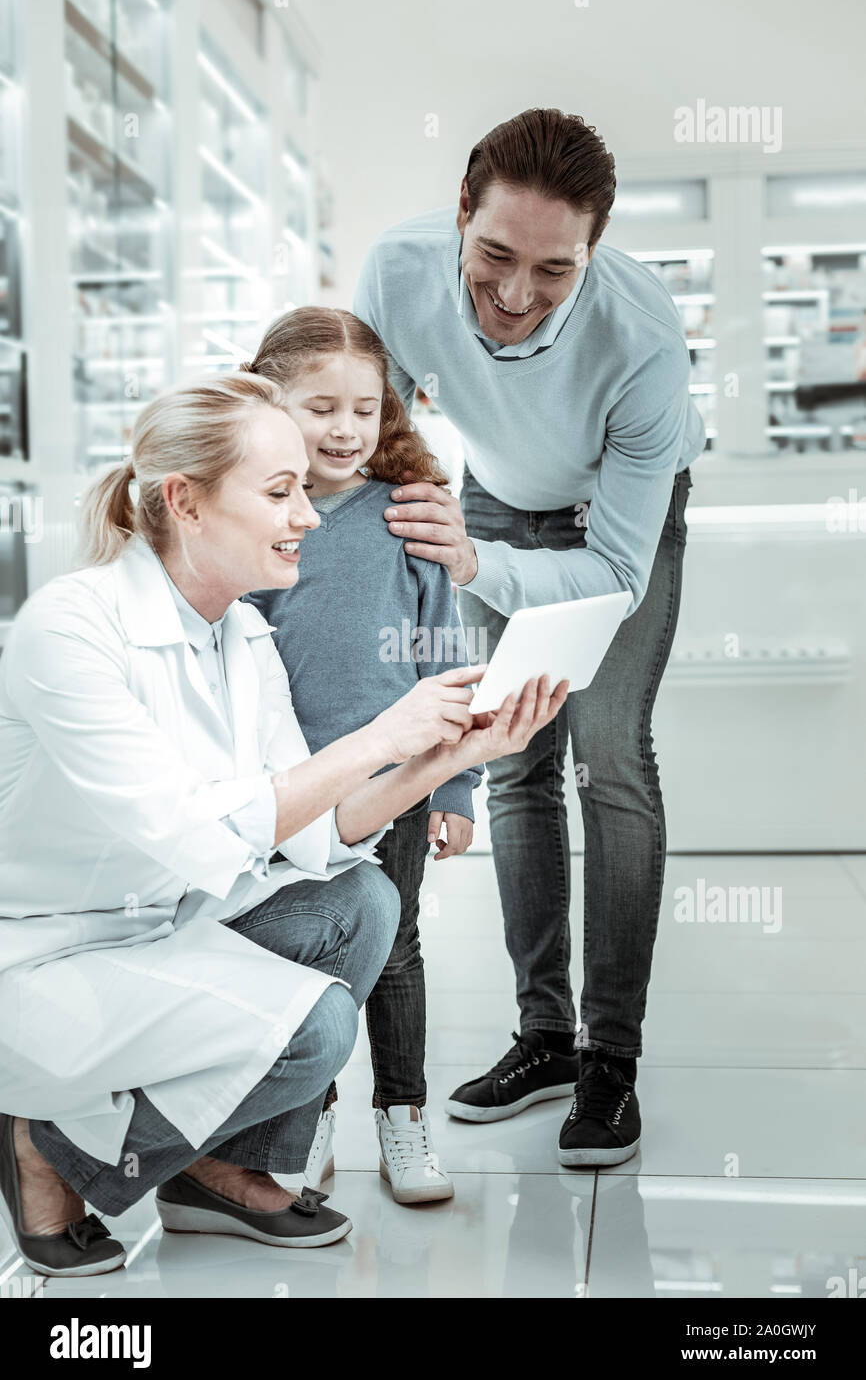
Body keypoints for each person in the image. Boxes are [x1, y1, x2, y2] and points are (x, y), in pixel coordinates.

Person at [0, 371, 568, 1276]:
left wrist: (457, 755)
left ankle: (211, 1171)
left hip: (166, 923)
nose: (309, 514)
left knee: (364, 901)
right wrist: (382, 733)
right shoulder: (71, 630)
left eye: (304, 487)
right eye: (280, 491)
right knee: (318, 1032)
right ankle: (48, 1150)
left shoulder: (240, 636)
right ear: (184, 502)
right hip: (49, 953)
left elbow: (309, 832)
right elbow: (189, 831)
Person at [352, 107, 705, 1166]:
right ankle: (544, 1036)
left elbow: (612, 572)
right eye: (493, 256)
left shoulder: (640, 342)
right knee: (511, 764)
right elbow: (365, 427)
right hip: (495, 500)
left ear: (591, 255)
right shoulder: (398, 269)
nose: (512, 295)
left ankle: (610, 1060)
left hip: (613, 518)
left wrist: (469, 564)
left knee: (609, 760)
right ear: (458, 213)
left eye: (552, 270)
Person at [240, 306, 484, 1205]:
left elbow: (443, 656)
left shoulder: (406, 518)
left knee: (396, 946)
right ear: (270, 405)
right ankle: (310, 1119)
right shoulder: (258, 519)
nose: (346, 430)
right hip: (290, 789)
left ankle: (403, 1117)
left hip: (400, 782)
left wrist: (457, 780)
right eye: (321, 407)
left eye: (366, 409)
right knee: (301, 948)